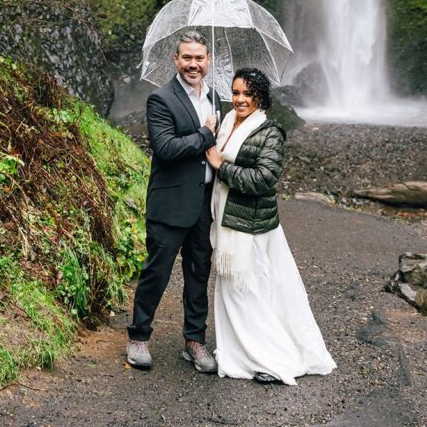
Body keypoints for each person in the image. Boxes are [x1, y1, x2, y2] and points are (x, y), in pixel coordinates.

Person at [205, 67, 336, 385]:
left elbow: (264, 179)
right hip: (227, 221)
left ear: (260, 97)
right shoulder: (224, 124)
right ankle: (242, 353)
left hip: (251, 225)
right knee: (234, 291)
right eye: (235, 92)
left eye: (247, 94)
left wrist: (222, 166)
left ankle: (274, 358)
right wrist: (208, 133)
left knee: (250, 291)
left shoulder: (270, 132)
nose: (239, 99)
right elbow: (212, 154)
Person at [126, 31, 223, 373]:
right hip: (170, 204)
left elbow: (213, 150)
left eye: (199, 58)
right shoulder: (161, 99)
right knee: (157, 272)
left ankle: (194, 341)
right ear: (176, 60)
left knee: (199, 274)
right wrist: (205, 135)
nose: (193, 64)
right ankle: (138, 337)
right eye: (187, 58)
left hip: (204, 205)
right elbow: (165, 149)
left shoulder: (215, 98)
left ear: (208, 61)